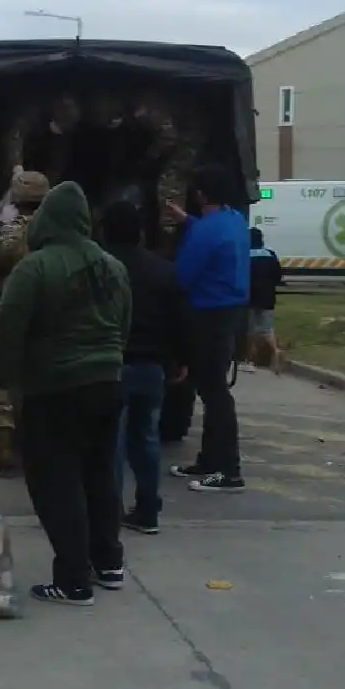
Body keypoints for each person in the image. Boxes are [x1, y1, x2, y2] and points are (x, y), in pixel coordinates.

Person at [0, 181, 132, 606]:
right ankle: (109, 563)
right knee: (100, 477)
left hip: (55, 388)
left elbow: (7, 328)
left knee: (56, 482)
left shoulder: (36, 267)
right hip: (107, 383)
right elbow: (123, 325)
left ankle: (72, 579)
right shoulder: (112, 266)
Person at [99, 200, 190, 535]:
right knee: (147, 439)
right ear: (140, 232)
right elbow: (181, 320)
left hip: (112, 367)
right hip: (153, 368)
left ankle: (110, 512)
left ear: (105, 231)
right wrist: (180, 360)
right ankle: (148, 508)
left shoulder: (100, 270)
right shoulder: (163, 270)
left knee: (112, 444)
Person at [164, 163, 250, 493]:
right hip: (229, 314)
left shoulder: (204, 232)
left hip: (206, 317)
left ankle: (228, 470)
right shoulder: (234, 221)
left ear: (199, 194)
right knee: (212, 390)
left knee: (214, 394)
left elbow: (182, 277)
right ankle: (209, 461)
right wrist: (187, 221)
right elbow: (214, 239)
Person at [0, 169, 50, 477]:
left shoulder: (10, 234)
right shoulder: (62, 232)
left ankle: (3, 451)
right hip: (55, 318)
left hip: (14, 317)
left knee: (1, 384)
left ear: (15, 200)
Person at [244, 227, 283, 374]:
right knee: (267, 329)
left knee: (251, 330)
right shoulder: (270, 254)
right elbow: (278, 276)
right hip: (268, 297)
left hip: (251, 298)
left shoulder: (246, 256)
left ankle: (249, 361)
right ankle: (275, 350)